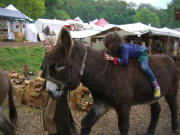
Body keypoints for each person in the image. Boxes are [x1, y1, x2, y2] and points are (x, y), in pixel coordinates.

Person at [103, 32, 161, 98]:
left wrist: (112, 59)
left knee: (144, 67)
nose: (109, 47)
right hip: (134, 55)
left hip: (141, 53)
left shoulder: (124, 48)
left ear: (114, 43)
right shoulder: (118, 48)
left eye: (109, 44)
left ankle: (156, 86)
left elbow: (125, 61)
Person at [40, 36, 76, 135]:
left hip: (58, 89)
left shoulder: (58, 58)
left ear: (53, 45)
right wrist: (43, 86)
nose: (46, 46)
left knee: (49, 114)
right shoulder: (46, 58)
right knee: (52, 113)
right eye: (45, 44)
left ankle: (54, 132)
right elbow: (48, 76)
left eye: (48, 44)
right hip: (50, 87)